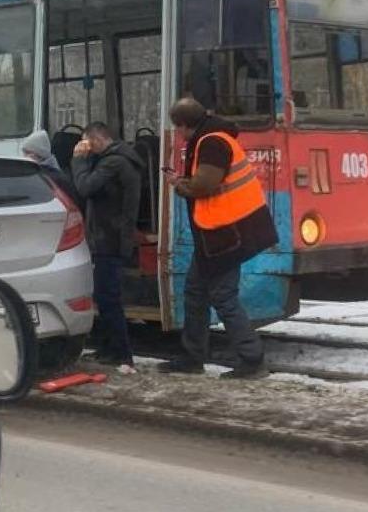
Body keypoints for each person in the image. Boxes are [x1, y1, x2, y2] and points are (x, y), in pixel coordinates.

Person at [160, 97, 277, 380]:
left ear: (185, 125)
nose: (179, 134)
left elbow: (204, 185)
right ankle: (192, 357)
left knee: (223, 297)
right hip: (218, 234)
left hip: (226, 235)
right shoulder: (215, 137)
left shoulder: (211, 142)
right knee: (195, 292)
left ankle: (252, 359)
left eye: (179, 129)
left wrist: (180, 185)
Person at [70, 121, 143, 372]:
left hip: (109, 238)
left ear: (96, 140)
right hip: (111, 235)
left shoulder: (114, 163)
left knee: (108, 297)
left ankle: (122, 354)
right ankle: (110, 349)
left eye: (86, 142)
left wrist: (79, 160)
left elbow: (85, 187)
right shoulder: (118, 158)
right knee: (105, 296)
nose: (84, 147)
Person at [21, 128, 79, 204]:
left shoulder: (51, 178)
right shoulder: (54, 173)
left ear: (36, 155)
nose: (24, 156)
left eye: (26, 152)